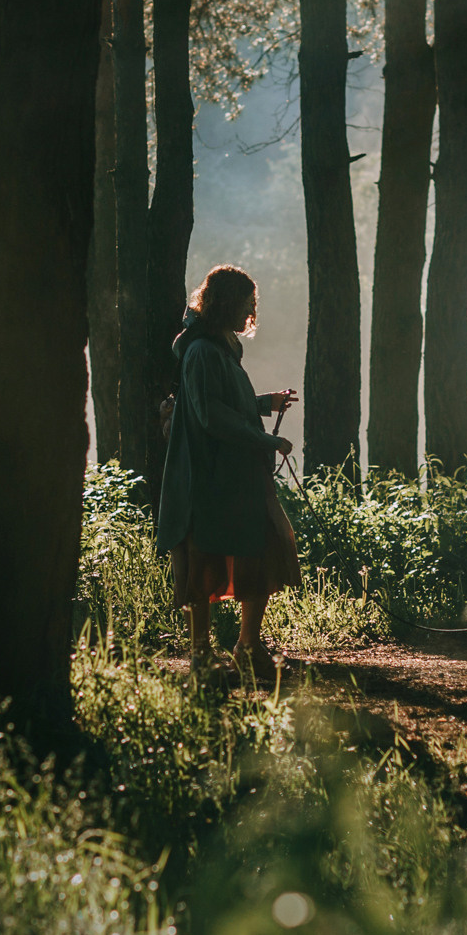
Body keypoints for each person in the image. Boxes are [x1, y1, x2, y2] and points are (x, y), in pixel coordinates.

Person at [155, 265, 303, 680]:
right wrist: (265, 441)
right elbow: (210, 415)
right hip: (208, 477)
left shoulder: (219, 348)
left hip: (232, 475)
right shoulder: (202, 351)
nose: (251, 312)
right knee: (203, 558)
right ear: (225, 303)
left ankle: (247, 646)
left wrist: (263, 403)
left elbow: (224, 402)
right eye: (246, 303)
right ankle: (202, 656)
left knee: (264, 545)